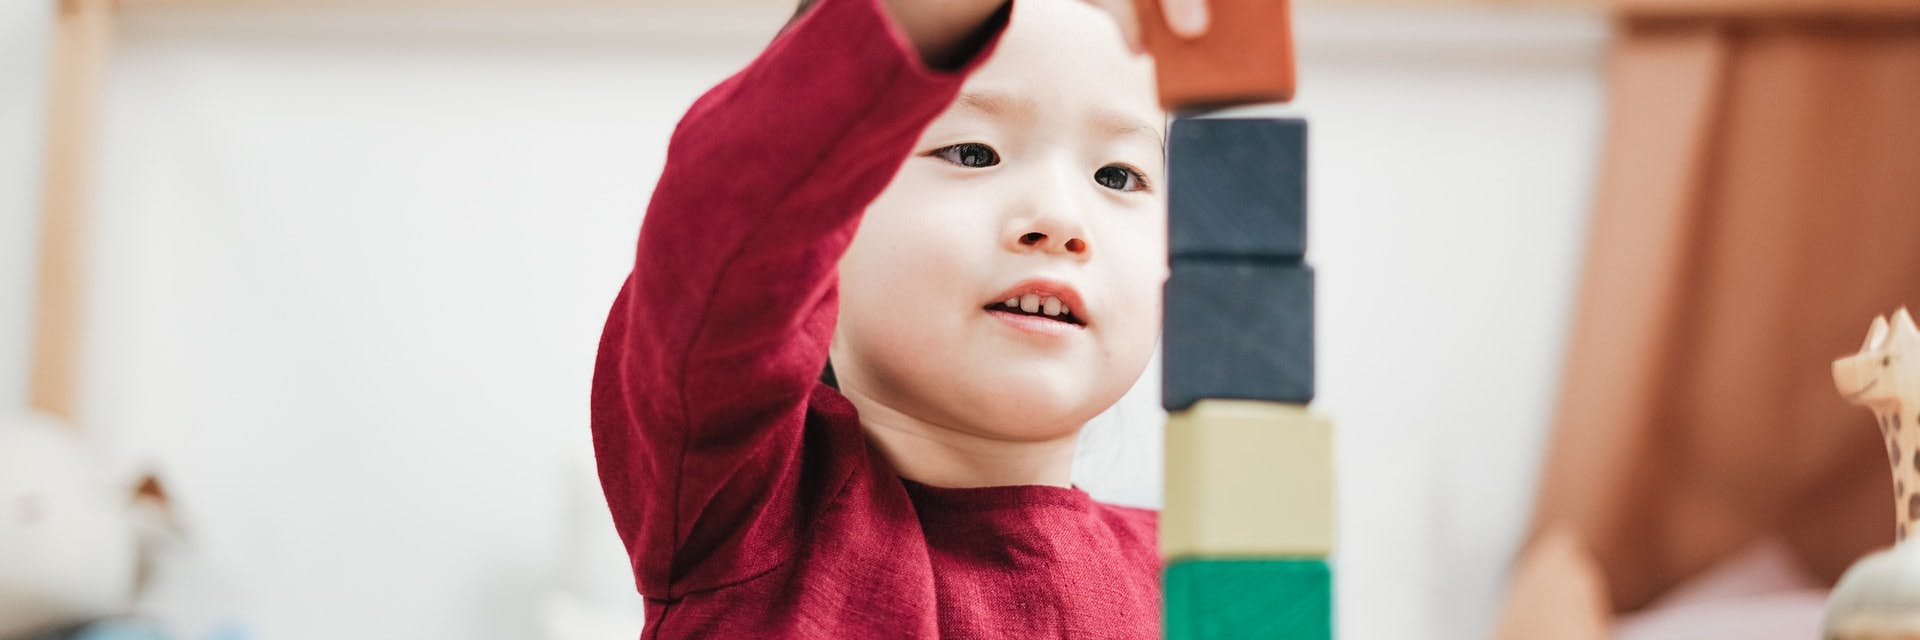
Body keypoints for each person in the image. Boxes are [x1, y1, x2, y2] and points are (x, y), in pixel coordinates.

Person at [590, 0, 1211, 636]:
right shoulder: (744, 520)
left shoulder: (1205, 588)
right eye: (973, 153)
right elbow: (724, 206)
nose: (1058, 219)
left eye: (1117, 174)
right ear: (822, 226)